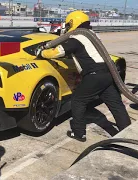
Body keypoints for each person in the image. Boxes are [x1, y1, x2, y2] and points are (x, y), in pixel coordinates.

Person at [35, 11, 131, 142]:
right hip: (108, 73)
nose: (67, 28)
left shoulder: (77, 38)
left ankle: (79, 133)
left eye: (68, 25)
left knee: (78, 100)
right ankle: (128, 133)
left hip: (94, 74)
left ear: (73, 22)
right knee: (116, 104)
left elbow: (57, 52)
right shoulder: (93, 35)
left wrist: (43, 52)